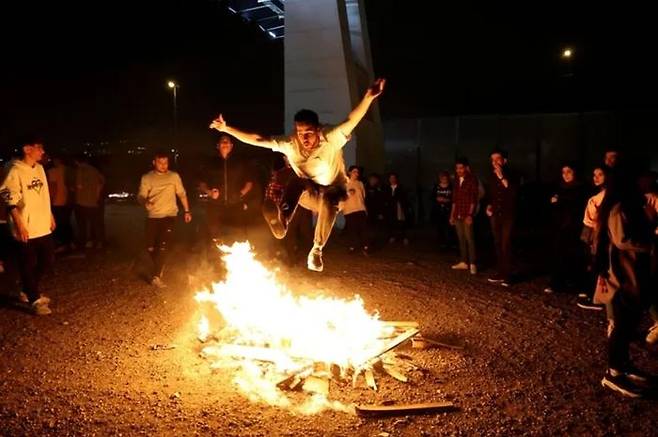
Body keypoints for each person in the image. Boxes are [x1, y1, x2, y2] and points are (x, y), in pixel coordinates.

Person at [209, 78, 386, 272]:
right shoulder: (291, 143)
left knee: (330, 195)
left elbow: (352, 120)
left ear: (318, 130)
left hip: (336, 194)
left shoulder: (331, 137)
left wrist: (368, 98)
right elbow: (259, 139)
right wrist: (227, 128)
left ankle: (317, 250)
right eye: (300, 133)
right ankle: (281, 222)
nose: (304, 138)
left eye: (309, 133)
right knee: (296, 181)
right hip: (310, 195)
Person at [594, 172, 656, 398]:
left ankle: (624, 365)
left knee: (628, 323)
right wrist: (650, 244)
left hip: (632, 273)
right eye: (643, 179)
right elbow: (622, 239)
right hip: (622, 275)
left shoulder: (632, 205)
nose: (646, 182)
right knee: (621, 325)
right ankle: (614, 373)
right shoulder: (620, 208)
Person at [0, 138, 55, 315]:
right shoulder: (14, 169)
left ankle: (26, 289)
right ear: (27, 149)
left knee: (47, 260)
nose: (42, 151)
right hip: (25, 224)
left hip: (42, 223)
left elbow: (43, 195)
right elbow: (9, 197)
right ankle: (34, 299)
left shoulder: (39, 168)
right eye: (39, 148)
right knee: (28, 263)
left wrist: (50, 214)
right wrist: (18, 223)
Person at [137, 151, 192, 288]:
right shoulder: (147, 178)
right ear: (154, 162)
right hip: (153, 216)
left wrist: (187, 210)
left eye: (165, 162)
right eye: (160, 162)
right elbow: (141, 196)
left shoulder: (174, 176)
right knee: (150, 247)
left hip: (169, 216)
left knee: (162, 246)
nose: (163, 165)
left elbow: (181, 194)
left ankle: (156, 276)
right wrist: (145, 203)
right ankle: (158, 264)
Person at [200, 135, 255, 244]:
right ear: (218, 146)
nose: (225, 143)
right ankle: (216, 259)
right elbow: (202, 183)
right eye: (222, 142)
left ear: (231, 146)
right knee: (216, 237)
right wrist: (209, 192)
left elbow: (249, 182)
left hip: (235, 205)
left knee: (238, 236)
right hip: (215, 205)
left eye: (227, 142)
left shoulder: (240, 162)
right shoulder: (210, 163)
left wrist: (240, 194)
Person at [544, 163, 588, 293]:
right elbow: (553, 207)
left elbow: (578, 204)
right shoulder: (559, 188)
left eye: (569, 171)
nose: (566, 175)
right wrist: (554, 201)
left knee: (575, 256)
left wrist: (560, 200)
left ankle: (576, 284)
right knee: (558, 255)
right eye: (563, 172)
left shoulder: (582, 188)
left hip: (575, 227)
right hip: (560, 227)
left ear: (575, 172)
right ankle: (557, 283)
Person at [485, 149, 519, 287]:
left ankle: (509, 275)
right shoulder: (491, 176)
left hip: (508, 215)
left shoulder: (512, 175)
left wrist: (501, 177)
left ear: (504, 160)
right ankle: (500, 272)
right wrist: (488, 206)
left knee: (506, 244)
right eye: (492, 160)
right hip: (495, 215)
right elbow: (491, 194)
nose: (494, 162)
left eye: (497, 159)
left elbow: (513, 192)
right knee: (498, 243)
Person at [578, 166, 608, 310]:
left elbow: (594, 220)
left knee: (598, 262)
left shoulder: (602, 197)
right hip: (595, 230)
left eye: (600, 174)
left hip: (599, 231)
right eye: (594, 174)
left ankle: (597, 299)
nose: (596, 177)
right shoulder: (597, 194)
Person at [450, 158, 479, 274]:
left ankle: (473, 263)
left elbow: (473, 199)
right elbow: (454, 200)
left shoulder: (472, 180)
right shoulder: (456, 181)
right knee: (461, 238)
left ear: (466, 168)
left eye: (461, 168)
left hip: (467, 214)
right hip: (457, 213)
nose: (458, 170)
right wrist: (452, 215)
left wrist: (470, 214)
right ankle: (463, 261)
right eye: (457, 168)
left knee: (469, 238)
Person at [74, 155, 105, 249]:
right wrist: (97, 196)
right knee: (95, 223)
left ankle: (85, 242)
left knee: (82, 224)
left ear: (77, 162)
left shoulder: (80, 170)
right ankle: (98, 242)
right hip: (93, 201)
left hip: (82, 201)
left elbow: (79, 186)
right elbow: (102, 182)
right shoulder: (95, 170)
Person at [47, 156, 74, 251]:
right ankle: (69, 242)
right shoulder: (69, 170)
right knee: (66, 222)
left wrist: (51, 200)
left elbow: (53, 186)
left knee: (58, 223)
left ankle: (61, 243)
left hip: (57, 201)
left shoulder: (53, 171)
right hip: (68, 200)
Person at [342, 165, 369, 254]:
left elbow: (363, 196)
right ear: (349, 172)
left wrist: (364, 208)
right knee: (352, 229)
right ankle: (353, 247)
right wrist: (348, 193)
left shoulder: (360, 183)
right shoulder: (344, 184)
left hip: (360, 208)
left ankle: (365, 247)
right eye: (354, 171)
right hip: (349, 210)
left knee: (363, 228)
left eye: (357, 172)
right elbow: (340, 197)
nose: (356, 174)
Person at [385, 172, 411, 246]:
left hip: (399, 208)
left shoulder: (401, 187)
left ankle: (404, 237)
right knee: (391, 222)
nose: (392, 180)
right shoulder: (387, 188)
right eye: (391, 178)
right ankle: (393, 236)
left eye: (394, 178)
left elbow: (404, 198)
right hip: (390, 208)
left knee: (401, 223)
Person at [430, 171, 454, 250]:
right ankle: (441, 243)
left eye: (445, 178)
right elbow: (432, 197)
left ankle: (450, 243)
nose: (444, 180)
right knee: (440, 226)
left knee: (449, 227)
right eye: (442, 178)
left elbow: (454, 198)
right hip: (438, 210)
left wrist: (447, 200)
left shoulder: (451, 187)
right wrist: (437, 199)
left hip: (448, 210)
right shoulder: (436, 187)